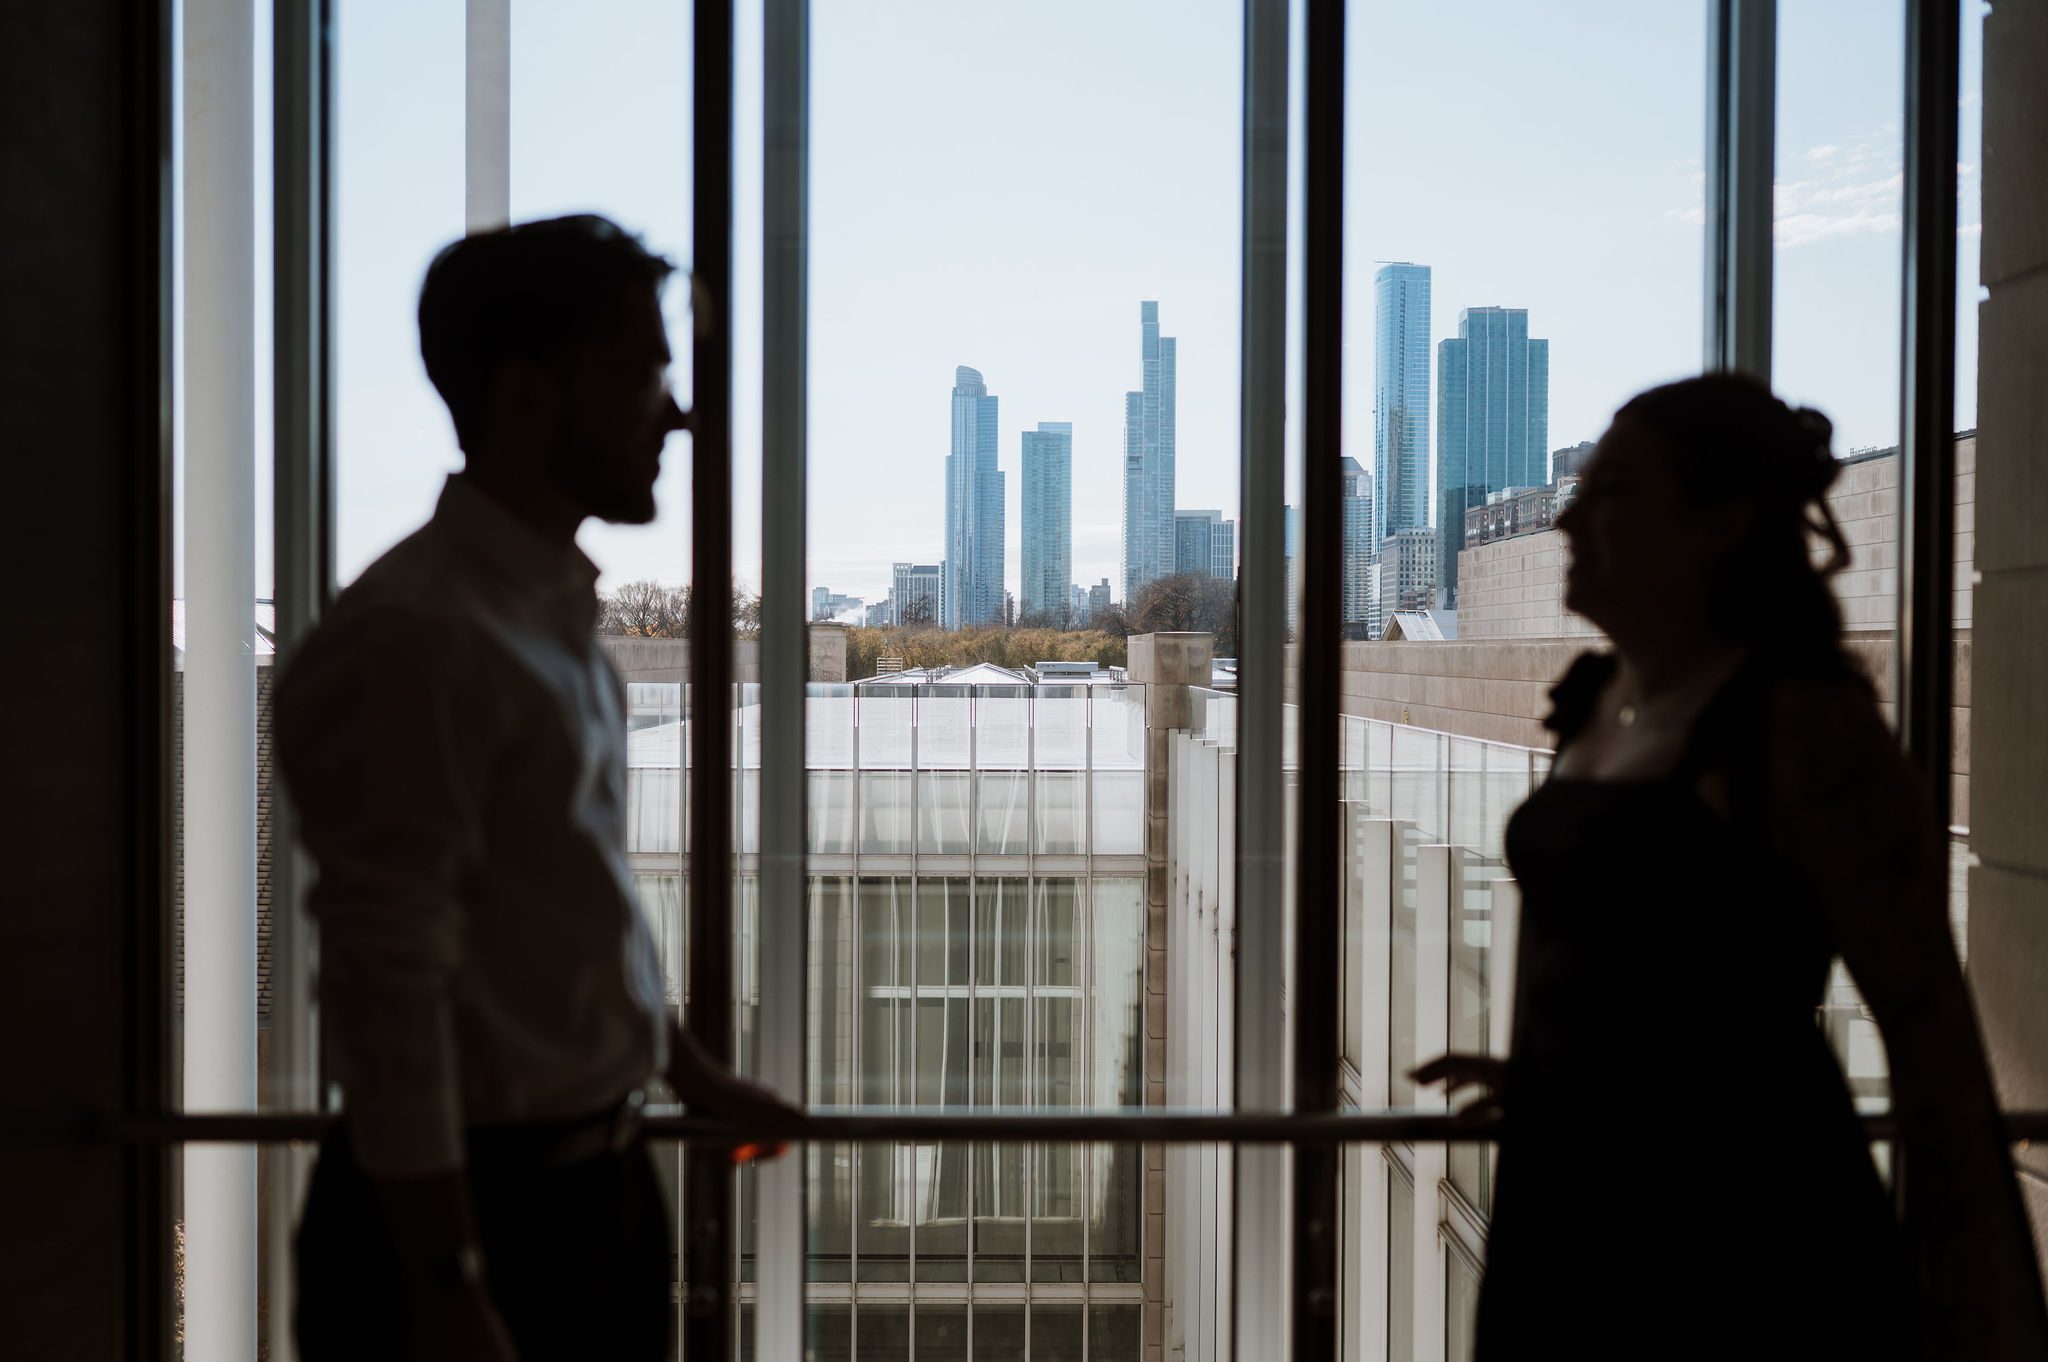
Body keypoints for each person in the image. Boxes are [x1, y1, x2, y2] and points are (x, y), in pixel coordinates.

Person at [1414, 375, 2048, 1360]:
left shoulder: (1800, 728)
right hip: (1573, 1201)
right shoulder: (1592, 700)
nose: (1572, 517)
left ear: (1718, 521)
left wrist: (1988, 1326)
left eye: (1614, 489)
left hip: (1738, 1225)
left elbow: (1931, 1045)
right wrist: (1551, 1076)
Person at [278, 215, 794, 1362]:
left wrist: (692, 1073)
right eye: (643, 372)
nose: (679, 413)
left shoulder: (540, 625)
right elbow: (387, 990)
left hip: (586, 1197)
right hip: (477, 1228)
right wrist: (451, 1291)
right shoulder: (420, 641)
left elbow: (566, 919)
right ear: (522, 395)